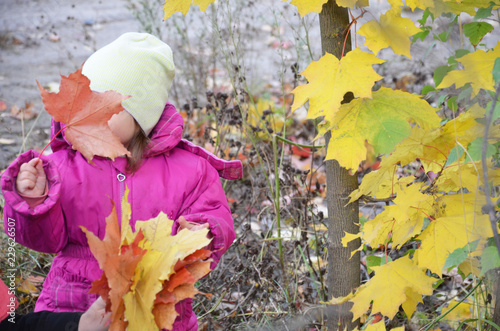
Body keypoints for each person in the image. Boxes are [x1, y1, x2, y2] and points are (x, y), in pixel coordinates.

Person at [1, 32, 242, 330]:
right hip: (73, 308)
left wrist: (202, 235)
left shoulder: (191, 170)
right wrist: (33, 201)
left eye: (107, 107)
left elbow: (217, 220)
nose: (91, 114)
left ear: (141, 117)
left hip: (156, 311)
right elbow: (41, 240)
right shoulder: (60, 166)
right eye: (86, 103)